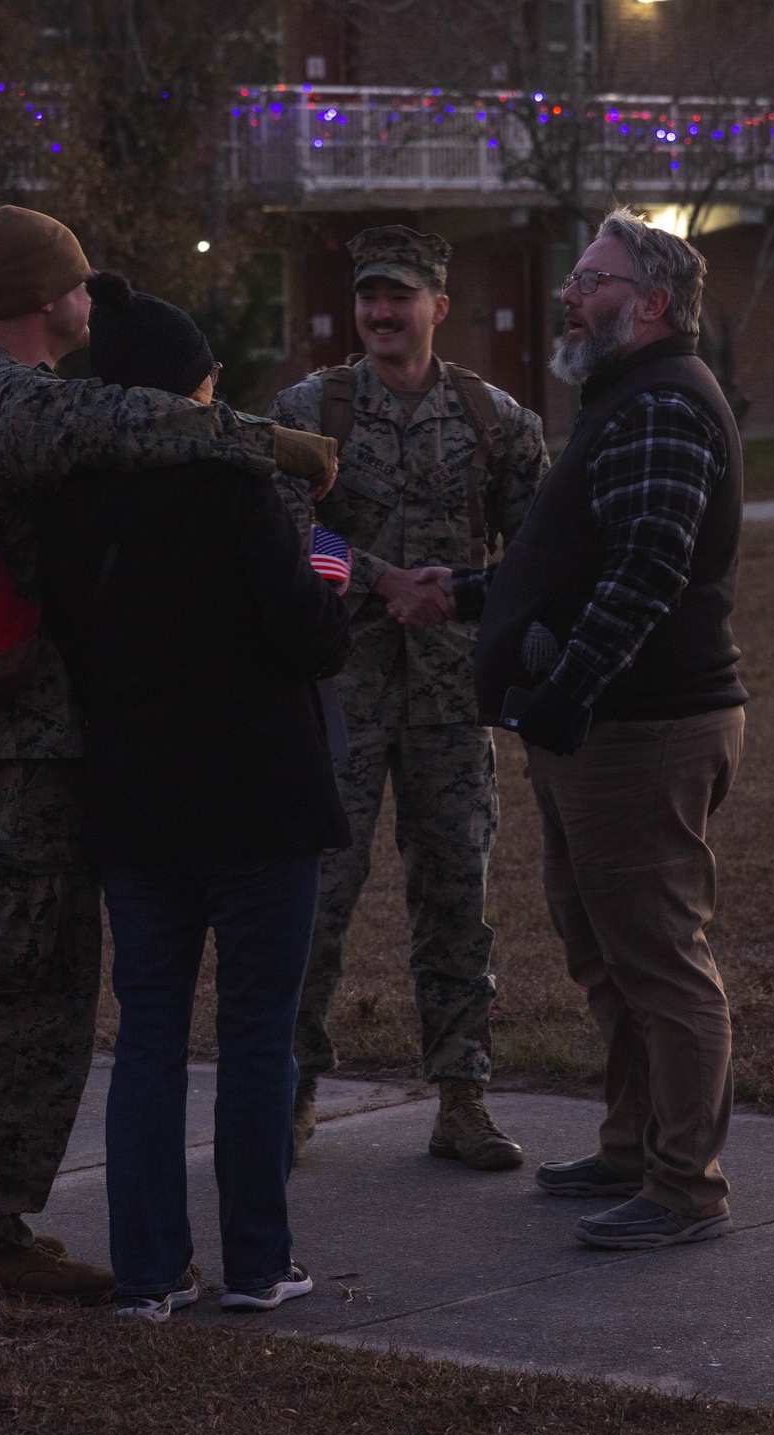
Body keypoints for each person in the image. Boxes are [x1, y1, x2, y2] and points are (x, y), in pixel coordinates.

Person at [0, 205, 337, 1301]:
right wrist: (274, 445)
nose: (89, 303)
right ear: (51, 298)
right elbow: (147, 425)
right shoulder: (21, 402)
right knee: (23, 988)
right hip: (15, 749)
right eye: (78, 285)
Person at [38, 273, 351, 1319]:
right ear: (188, 389)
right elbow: (305, 632)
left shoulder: (75, 509)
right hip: (258, 802)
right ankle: (257, 1261)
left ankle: (145, 1267)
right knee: (259, 1035)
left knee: (150, 1036)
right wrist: (331, 588)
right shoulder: (235, 490)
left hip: (136, 806)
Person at [462, 207, 746, 1248]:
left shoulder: (664, 403)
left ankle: (684, 1187)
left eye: (591, 278)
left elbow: (646, 569)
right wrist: (451, 590)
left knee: (660, 958)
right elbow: (569, 563)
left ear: (653, 303)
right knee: (606, 950)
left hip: (643, 728)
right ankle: (631, 1144)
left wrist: (562, 696)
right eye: (573, 277)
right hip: (600, 728)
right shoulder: (621, 399)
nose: (568, 294)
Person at [269, 225, 548, 1170]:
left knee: (456, 895)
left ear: (439, 304)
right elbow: (281, 539)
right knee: (315, 897)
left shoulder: (495, 418)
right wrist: (380, 576)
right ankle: (291, 1090)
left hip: (448, 701)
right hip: (336, 699)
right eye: (368, 298)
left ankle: (461, 1097)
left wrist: (478, 612)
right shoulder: (312, 411)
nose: (382, 314)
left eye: (400, 296)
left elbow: (538, 557)